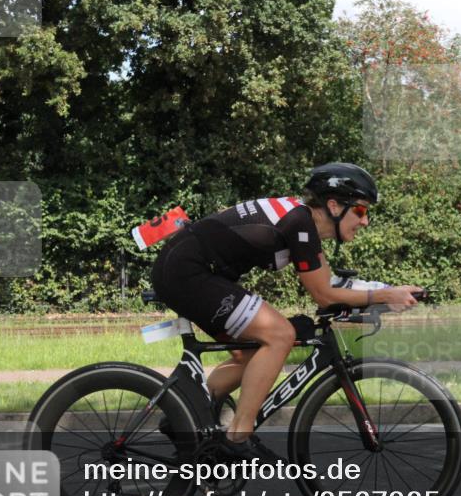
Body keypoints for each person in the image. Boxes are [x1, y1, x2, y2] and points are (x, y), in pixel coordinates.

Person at [150, 163, 422, 461]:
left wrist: (388, 293)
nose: (365, 220)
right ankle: (238, 437)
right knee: (280, 335)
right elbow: (324, 295)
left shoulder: (303, 223)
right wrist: (384, 295)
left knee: (251, 353)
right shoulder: (299, 223)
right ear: (334, 205)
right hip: (187, 272)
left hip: (188, 268)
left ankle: (183, 414)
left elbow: (330, 283)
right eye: (360, 210)